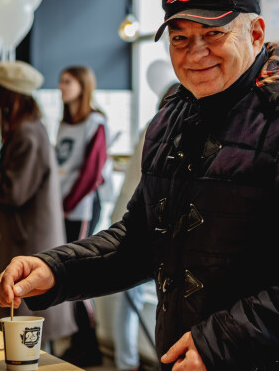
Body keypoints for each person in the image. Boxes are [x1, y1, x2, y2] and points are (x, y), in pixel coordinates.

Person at [0, 0, 279, 370]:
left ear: (256, 33)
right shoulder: (172, 117)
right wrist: (57, 270)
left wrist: (220, 343)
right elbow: (141, 240)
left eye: (214, 34)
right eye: (180, 38)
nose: (195, 53)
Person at [0, 61, 76, 345]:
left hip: (28, 239)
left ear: (10, 97)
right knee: (30, 326)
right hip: (28, 234)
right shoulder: (31, 128)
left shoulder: (26, 133)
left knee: (29, 324)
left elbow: (14, 190)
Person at [112, 82, 181, 371]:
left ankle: (129, 361)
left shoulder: (152, 130)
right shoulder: (162, 133)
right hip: (136, 220)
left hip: (135, 216)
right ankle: (127, 363)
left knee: (133, 301)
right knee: (131, 301)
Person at [54, 65, 109, 366]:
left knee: (76, 271)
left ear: (82, 85)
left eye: (67, 82)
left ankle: (89, 346)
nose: (61, 87)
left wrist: (69, 201)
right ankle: (79, 342)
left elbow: (92, 172)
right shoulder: (65, 123)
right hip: (62, 207)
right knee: (65, 271)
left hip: (82, 207)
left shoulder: (95, 122)